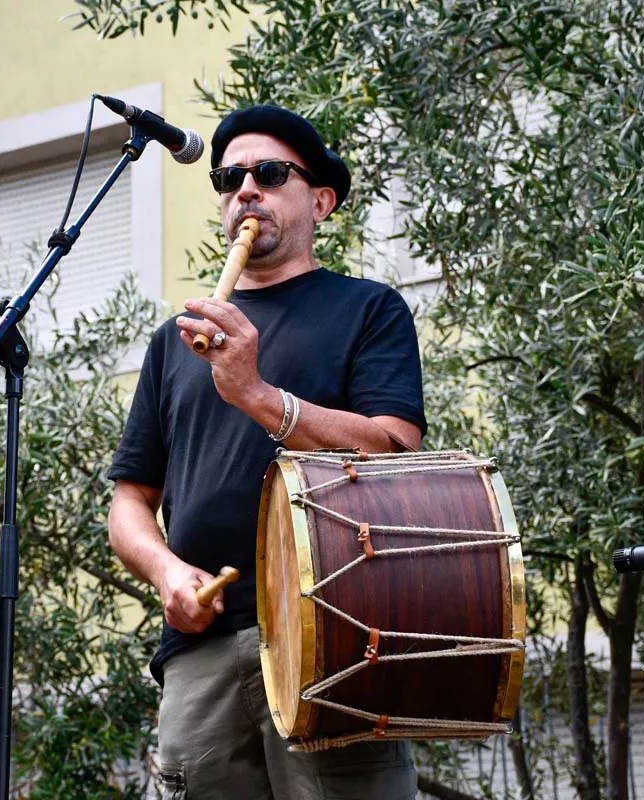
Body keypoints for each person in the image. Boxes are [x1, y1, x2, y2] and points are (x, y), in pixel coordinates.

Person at [106, 104, 427, 799]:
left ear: (320, 200)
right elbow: (130, 501)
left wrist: (258, 394)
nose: (244, 189)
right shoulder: (176, 341)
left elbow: (396, 452)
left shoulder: (369, 310)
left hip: (334, 630)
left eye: (269, 172)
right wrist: (167, 575)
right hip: (204, 648)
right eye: (229, 178)